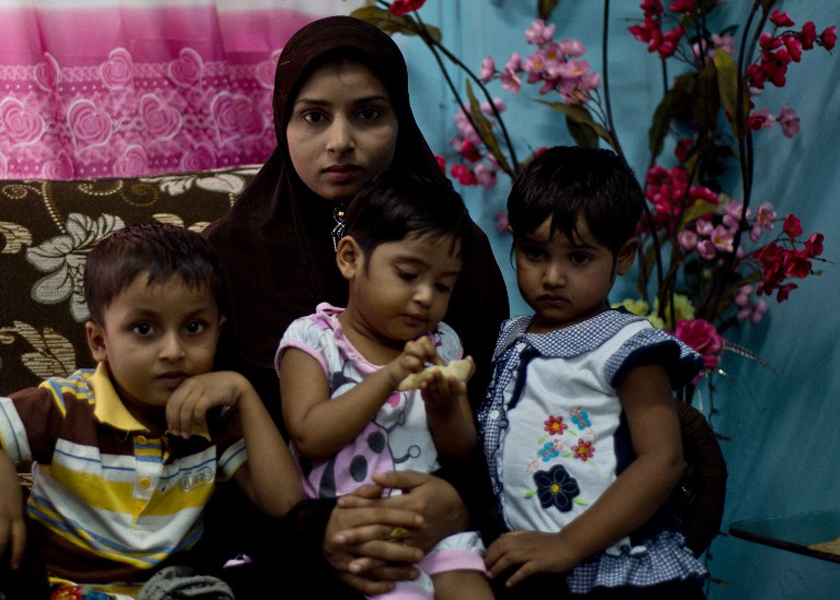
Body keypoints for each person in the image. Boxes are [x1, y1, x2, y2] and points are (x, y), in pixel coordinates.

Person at [202, 15, 509, 598]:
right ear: (283, 121)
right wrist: (312, 529)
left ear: (401, 119)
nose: (340, 141)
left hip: (432, 530)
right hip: (279, 531)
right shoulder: (229, 255)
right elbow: (204, 432)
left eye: (368, 114)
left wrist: (455, 505)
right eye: (314, 116)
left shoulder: (458, 252)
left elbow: (494, 417)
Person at [0, 222, 302, 597]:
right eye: (144, 329)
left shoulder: (214, 416)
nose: (173, 351)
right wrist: (5, 501)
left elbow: (287, 505)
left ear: (217, 332)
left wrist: (244, 393)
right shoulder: (67, 404)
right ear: (99, 341)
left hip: (169, 589)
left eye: (194, 327)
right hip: (60, 585)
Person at [478, 146, 709, 599]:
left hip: (615, 570)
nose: (552, 277)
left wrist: (568, 544)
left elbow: (663, 461)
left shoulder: (625, 345)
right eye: (535, 253)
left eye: (578, 258)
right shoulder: (510, 337)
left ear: (622, 257)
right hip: (536, 565)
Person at [277, 169, 494, 600]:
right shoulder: (313, 339)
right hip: (355, 533)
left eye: (443, 285)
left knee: (471, 587)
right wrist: (391, 376)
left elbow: (460, 450)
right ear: (351, 259)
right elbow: (309, 436)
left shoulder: (442, 343)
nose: (426, 297)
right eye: (409, 275)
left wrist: (443, 404)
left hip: (431, 527)